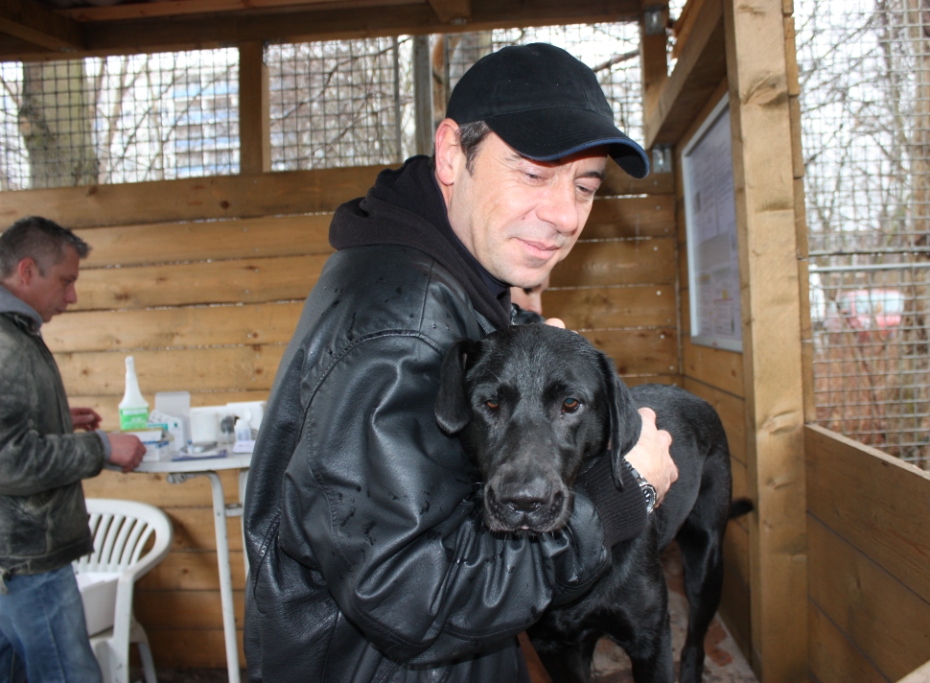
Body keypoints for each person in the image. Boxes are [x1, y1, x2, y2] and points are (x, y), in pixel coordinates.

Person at [244, 43, 678, 682]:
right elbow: (417, 603)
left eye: (585, 187)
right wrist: (622, 497)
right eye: (533, 174)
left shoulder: (439, 279)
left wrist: (520, 331)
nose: (565, 215)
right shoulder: (400, 323)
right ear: (452, 154)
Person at [0, 216, 147, 683]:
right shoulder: (6, 344)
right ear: (27, 270)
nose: (73, 296)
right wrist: (100, 447)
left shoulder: (15, 332)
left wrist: (57, 418)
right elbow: (9, 459)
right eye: (66, 281)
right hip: (28, 562)